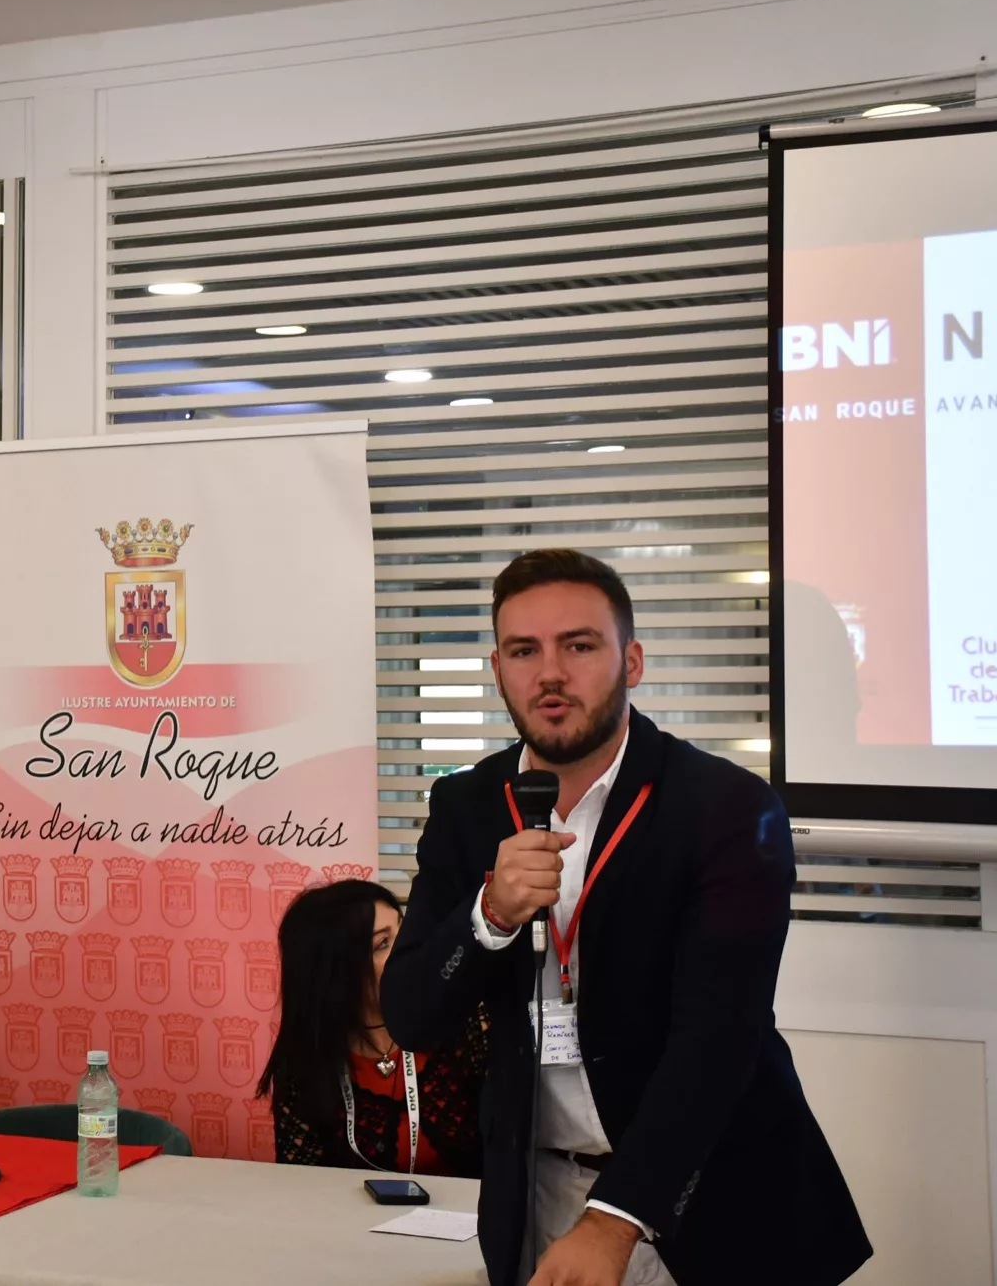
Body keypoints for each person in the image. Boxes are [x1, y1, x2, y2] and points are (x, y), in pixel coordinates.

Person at [381, 549, 870, 1286]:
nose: (550, 673)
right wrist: (489, 915)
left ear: (631, 661)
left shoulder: (724, 807)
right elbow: (411, 1014)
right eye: (524, 651)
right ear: (498, 670)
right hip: (537, 1195)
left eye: (578, 645)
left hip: (707, 1200)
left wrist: (617, 1218)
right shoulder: (466, 805)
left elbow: (718, 1041)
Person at [258, 879, 486, 1177]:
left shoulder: (467, 1027)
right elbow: (302, 1186)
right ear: (336, 975)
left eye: (405, 931)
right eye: (383, 943)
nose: (409, 951)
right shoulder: (306, 1067)